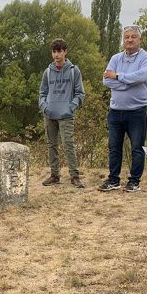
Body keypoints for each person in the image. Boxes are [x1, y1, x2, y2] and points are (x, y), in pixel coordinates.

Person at [101, 25, 147, 192]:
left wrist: (118, 76)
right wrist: (128, 83)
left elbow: (141, 76)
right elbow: (106, 81)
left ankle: (134, 181)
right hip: (115, 111)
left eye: (133, 37)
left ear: (140, 40)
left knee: (137, 148)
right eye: (127, 37)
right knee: (114, 147)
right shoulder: (116, 58)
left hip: (137, 111)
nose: (130, 40)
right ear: (123, 40)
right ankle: (113, 179)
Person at [39, 38, 86, 188]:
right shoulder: (47, 72)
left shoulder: (74, 71)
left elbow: (80, 93)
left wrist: (70, 108)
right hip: (49, 115)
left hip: (66, 115)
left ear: (65, 51)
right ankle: (55, 175)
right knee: (51, 145)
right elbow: (42, 93)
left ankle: (74, 176)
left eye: (59, 51)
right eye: (54, 51)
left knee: (68, 145)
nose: (57, 54)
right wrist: (45, 107)